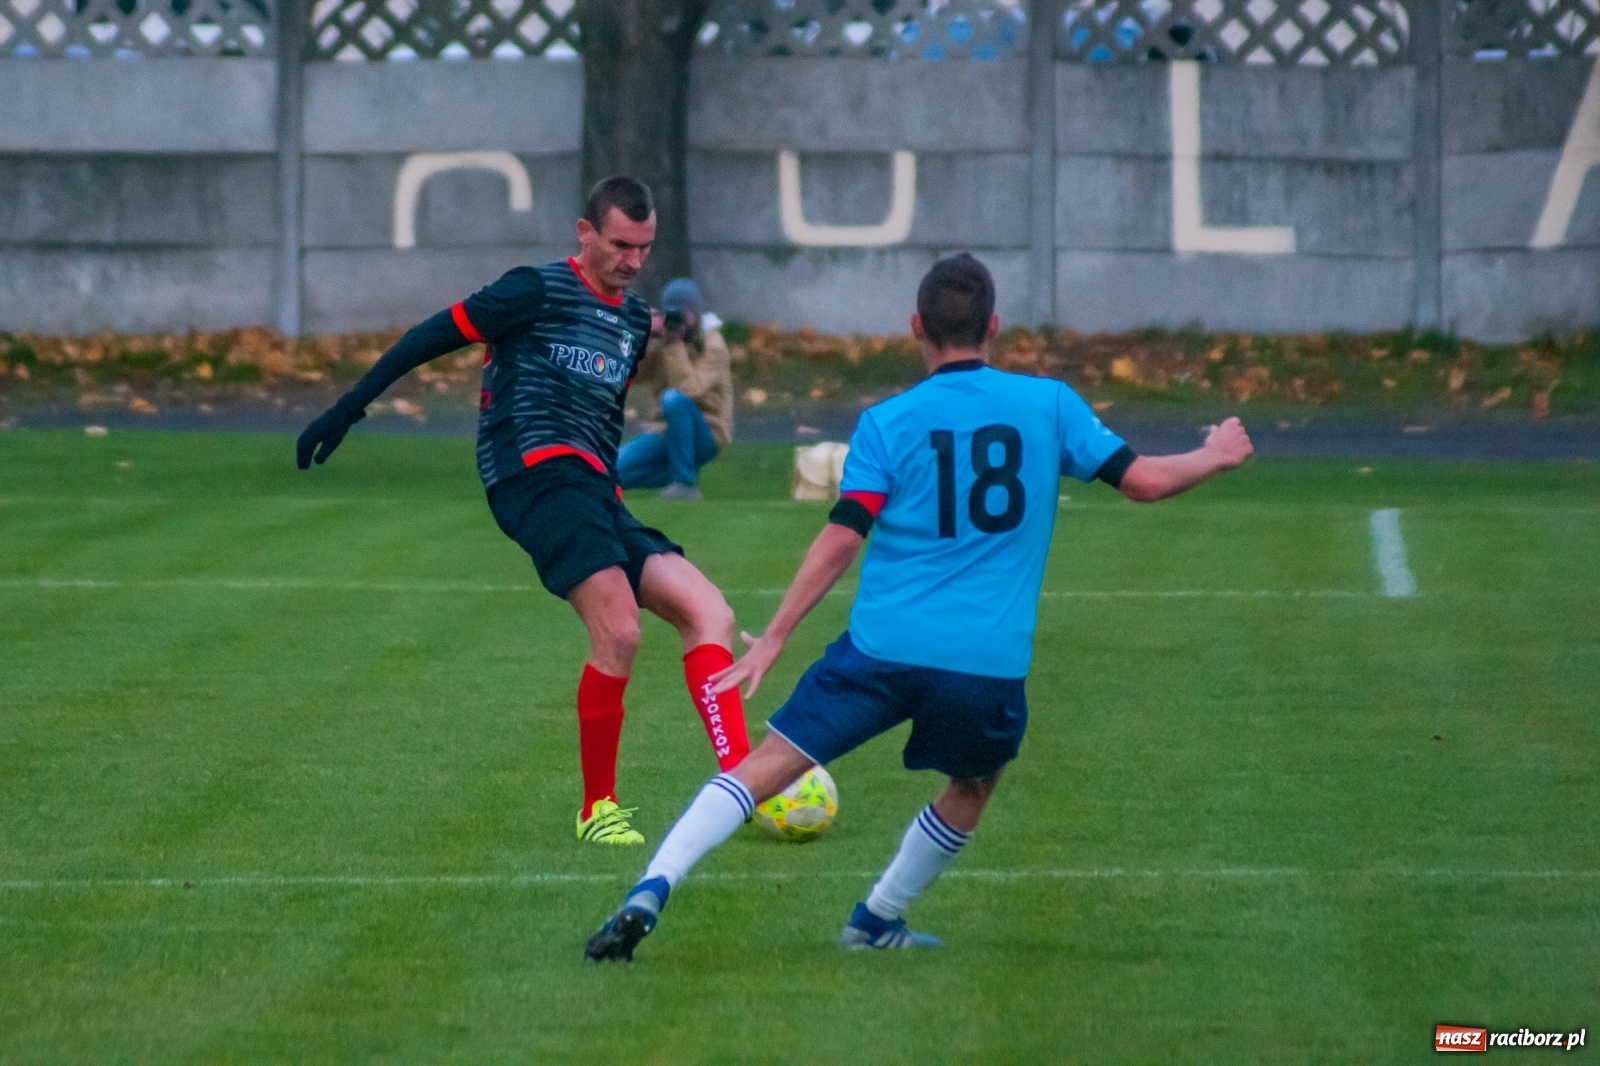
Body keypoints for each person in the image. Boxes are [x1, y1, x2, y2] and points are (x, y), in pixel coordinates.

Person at [584, 253, 1253, 959]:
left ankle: (653, 885)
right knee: (973, 781)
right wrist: (1216, 454)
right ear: (994, 325)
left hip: (880, 650)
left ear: (916, 328)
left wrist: (775, 636)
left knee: (767, 764)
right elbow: (1144, 481)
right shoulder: (1049, 405)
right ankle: (877, 919)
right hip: (984, 664)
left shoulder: (886, 422)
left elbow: (843, 537)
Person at [295, 176, 751, 847]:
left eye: (644, 248)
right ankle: (599, 809)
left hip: (594, 492)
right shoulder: (532, 290)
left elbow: (602, 415)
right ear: (585, 233)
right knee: (619, 631)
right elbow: (429, 335)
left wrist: (613, 504)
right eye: (620, 244)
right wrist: (347, 407)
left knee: (709, 611)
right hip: (532, 475)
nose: (632, 260)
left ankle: (740, 784)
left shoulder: (630, 320)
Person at [617, 278, 733, 500]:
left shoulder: (713, 345)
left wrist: (674, 344)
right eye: (673, 311)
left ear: (696, 311)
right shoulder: (664, 339)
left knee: (672, 398)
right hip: (666, 430)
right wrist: (646, 338)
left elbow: (689, 389)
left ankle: (685, 484)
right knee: (611, 472)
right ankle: (676, 474)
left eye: (685, 310)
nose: (679, 318)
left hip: (707, 431)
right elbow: (634, 377)